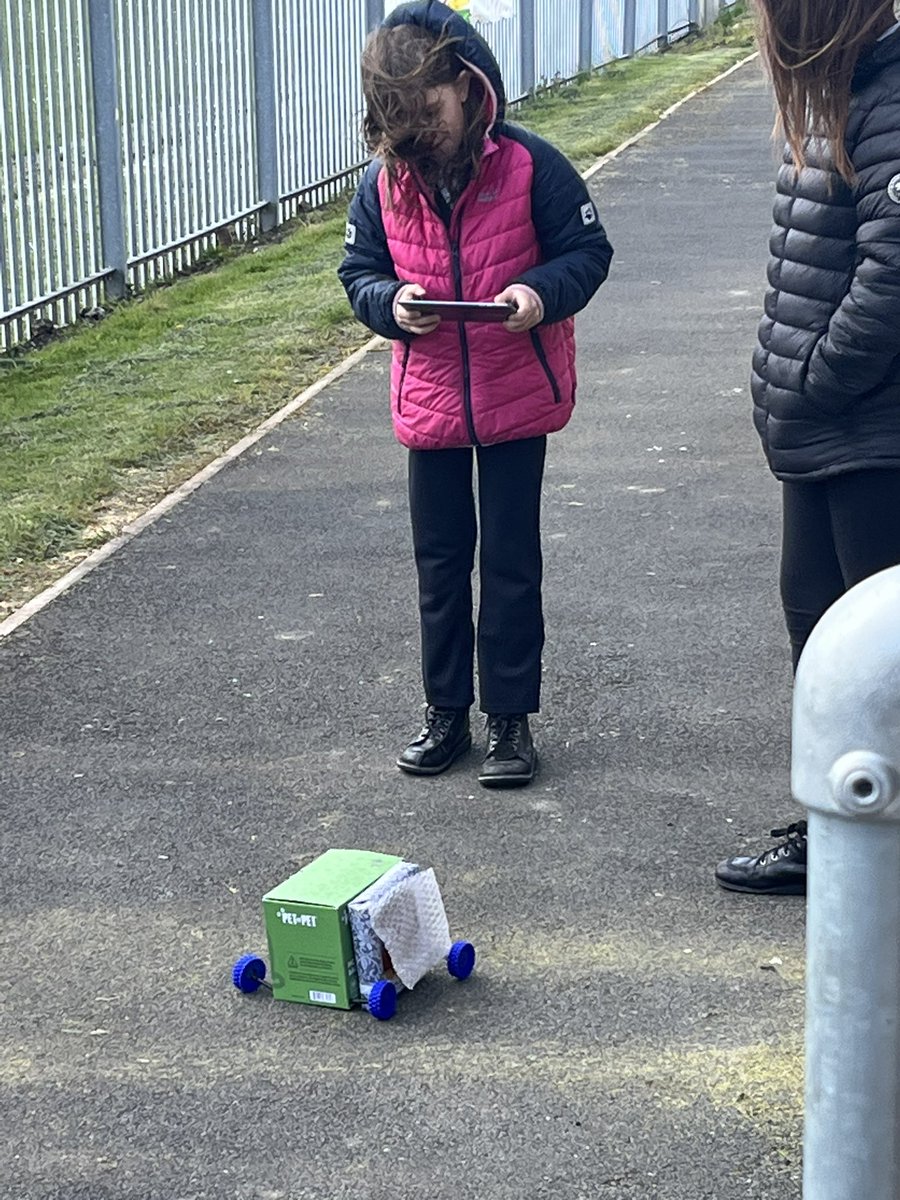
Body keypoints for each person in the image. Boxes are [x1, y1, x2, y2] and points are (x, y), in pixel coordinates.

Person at [338, 1, 612, 788]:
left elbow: (588, 252)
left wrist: (538, 293)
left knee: (512, 565)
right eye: (402, 118)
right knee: (440, 565)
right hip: (430, 404)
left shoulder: (532, 164)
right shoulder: (383, 185)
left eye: (431, 109)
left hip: (515, 394)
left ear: (467, 83)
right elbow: (358, 275)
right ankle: (446, 715)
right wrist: (390, 303)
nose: (423, 131)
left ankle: (511, 725)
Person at [716, 0, 900, 893]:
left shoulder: (888, 95)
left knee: (875, 655)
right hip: (820, 431)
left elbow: (891, 275)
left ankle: (873, 847)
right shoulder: (837, 90)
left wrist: (813, 380)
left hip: (868, 433)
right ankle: (839, 825)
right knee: (820, 637)